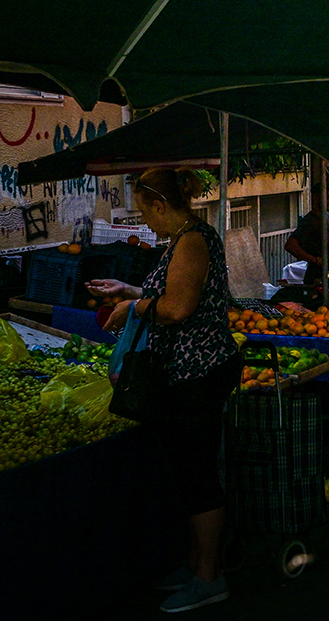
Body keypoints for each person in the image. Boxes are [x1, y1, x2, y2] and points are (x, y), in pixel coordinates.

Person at [87, 168, 240, 613]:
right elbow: (171, 292)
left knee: (196, 474)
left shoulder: (192, 240)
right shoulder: (182, 240)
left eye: (144, 211)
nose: (144, 221)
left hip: (200, 372)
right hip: (184, 373)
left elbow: (175, 308)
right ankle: (195, 566)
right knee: (187, 471)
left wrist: (133, 306)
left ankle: (210, 577)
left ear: (159, 205)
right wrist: (129, 289)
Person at [284, 182, 329, 288]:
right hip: (316, 278)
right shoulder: (309, 222)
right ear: (316, 198)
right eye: (327, 198)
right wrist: (315, 260)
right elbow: (290, 246)